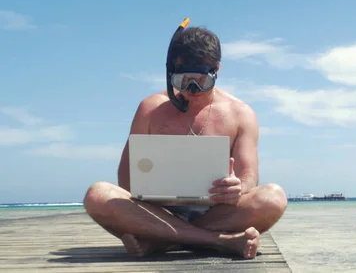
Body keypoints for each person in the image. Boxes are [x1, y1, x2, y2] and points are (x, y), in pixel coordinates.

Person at [82, 18, 288, 260]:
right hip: (157, 212)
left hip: (217, 213)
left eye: (202, 80)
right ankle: (217, 241)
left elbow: (249, 176)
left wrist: (238, 188)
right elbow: (126, 178)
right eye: (183, 80)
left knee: (273, 197)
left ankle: (163, 240)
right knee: (97, 195)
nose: (192, 89)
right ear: (171, 73)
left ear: (217, 70)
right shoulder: (151, 108)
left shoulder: (241, 113)